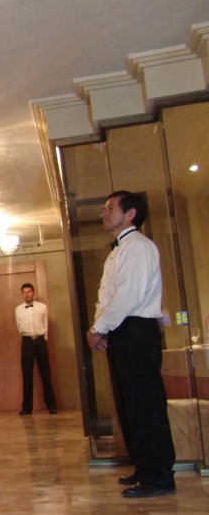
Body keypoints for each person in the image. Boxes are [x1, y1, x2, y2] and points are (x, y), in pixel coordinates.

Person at [86, 191, 176, 498]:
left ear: (130, 214)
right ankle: (144, 468)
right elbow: (107, 297)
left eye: (110, 208)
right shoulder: (119, 250)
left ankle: (159, 475)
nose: (104, 213)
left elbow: (128, 296)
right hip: (123, 331)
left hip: (137, 331)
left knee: (145, 405)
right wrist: (102, 329)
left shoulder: (137, 246)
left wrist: (98, 328)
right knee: (129, 404)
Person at [15, 283, 57, 415]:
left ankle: (51, 405)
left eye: (29, 292)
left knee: (45, 373)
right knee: (27, 374)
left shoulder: (42, 307)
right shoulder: (18, 309)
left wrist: (44, 339)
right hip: (27, 341)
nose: (27, 294)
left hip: (40, 341)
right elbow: (19, 326)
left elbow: (45, 325)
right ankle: (27, 408)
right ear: (22, 294)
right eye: (24, 292)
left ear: (33, 293)